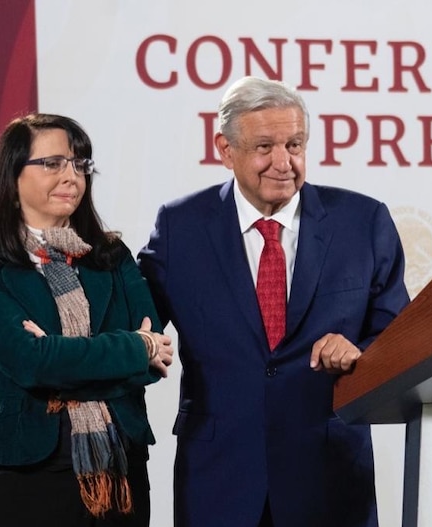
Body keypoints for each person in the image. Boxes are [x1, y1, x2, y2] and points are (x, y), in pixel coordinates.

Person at [138, 76, 410, 527]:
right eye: (265, 147)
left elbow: (400, 336)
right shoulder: (180, 227)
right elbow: (132, 322)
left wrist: (361, 352)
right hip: (218, 479)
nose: (283, 162)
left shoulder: (363, 222)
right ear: (225, 150)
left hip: (329, 477)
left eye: (295, 144)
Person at [0, 113, 174, 527]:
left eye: (80, 164)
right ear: (13, 175)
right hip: (34, 465)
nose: (71, 175)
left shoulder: (111, 256)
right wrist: (132, 346)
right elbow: (31, 362)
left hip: (121, 460)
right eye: (53, 163)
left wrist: (67, 355)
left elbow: (157, 355)